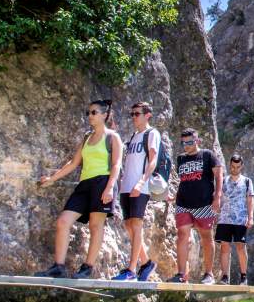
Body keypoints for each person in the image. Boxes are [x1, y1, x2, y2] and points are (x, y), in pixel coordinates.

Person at [34, 100, 122, 279]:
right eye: (88, 112)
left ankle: (87, 268)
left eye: (94, 112)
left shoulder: (113, 137)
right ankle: (58, 267)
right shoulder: (86, 138)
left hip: (102, 182)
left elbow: (116, 164)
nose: (90, 116)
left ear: (104, 115)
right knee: (63, 221)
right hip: (84, 184)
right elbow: (74, 163)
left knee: (95, 226)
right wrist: (52, 179)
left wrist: (110, 188)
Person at [166, 128, 222, 284]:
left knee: (206, 236)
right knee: (182, 235)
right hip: (183, 203)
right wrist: (175, 196)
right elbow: (184, 180)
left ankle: (209, 274)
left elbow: (219, 175)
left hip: (204, 203)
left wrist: (217, 196)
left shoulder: (207, 155)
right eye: (183, 143)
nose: (186, 145)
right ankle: (181, 274)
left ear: (197, 141)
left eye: (189, 142)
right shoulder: (181, 159)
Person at [114, 101, 162, 281]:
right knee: (128, 226)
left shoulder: (152, 133)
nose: (134, 117)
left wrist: (141, 182)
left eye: (137, 113)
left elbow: (152, 160)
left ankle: (131, 270)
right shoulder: (134, 136)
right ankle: (146, 263)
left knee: (136, 225)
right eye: (132, 114)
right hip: (126, 186)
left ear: (147, 115)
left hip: (139, 187)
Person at [215, 153, 254, 285]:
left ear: (241, 166)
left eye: (237, 167)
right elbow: (218, 197)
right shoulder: (224, 180)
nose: (235, 169)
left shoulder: (247, 181)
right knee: (225, 247)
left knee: (240, 247)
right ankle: (225, 276)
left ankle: (244, 277)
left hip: (240, 219)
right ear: (229, 165)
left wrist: (250, 217)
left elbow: (250, 200)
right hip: (225, 218)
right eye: (232, 166)